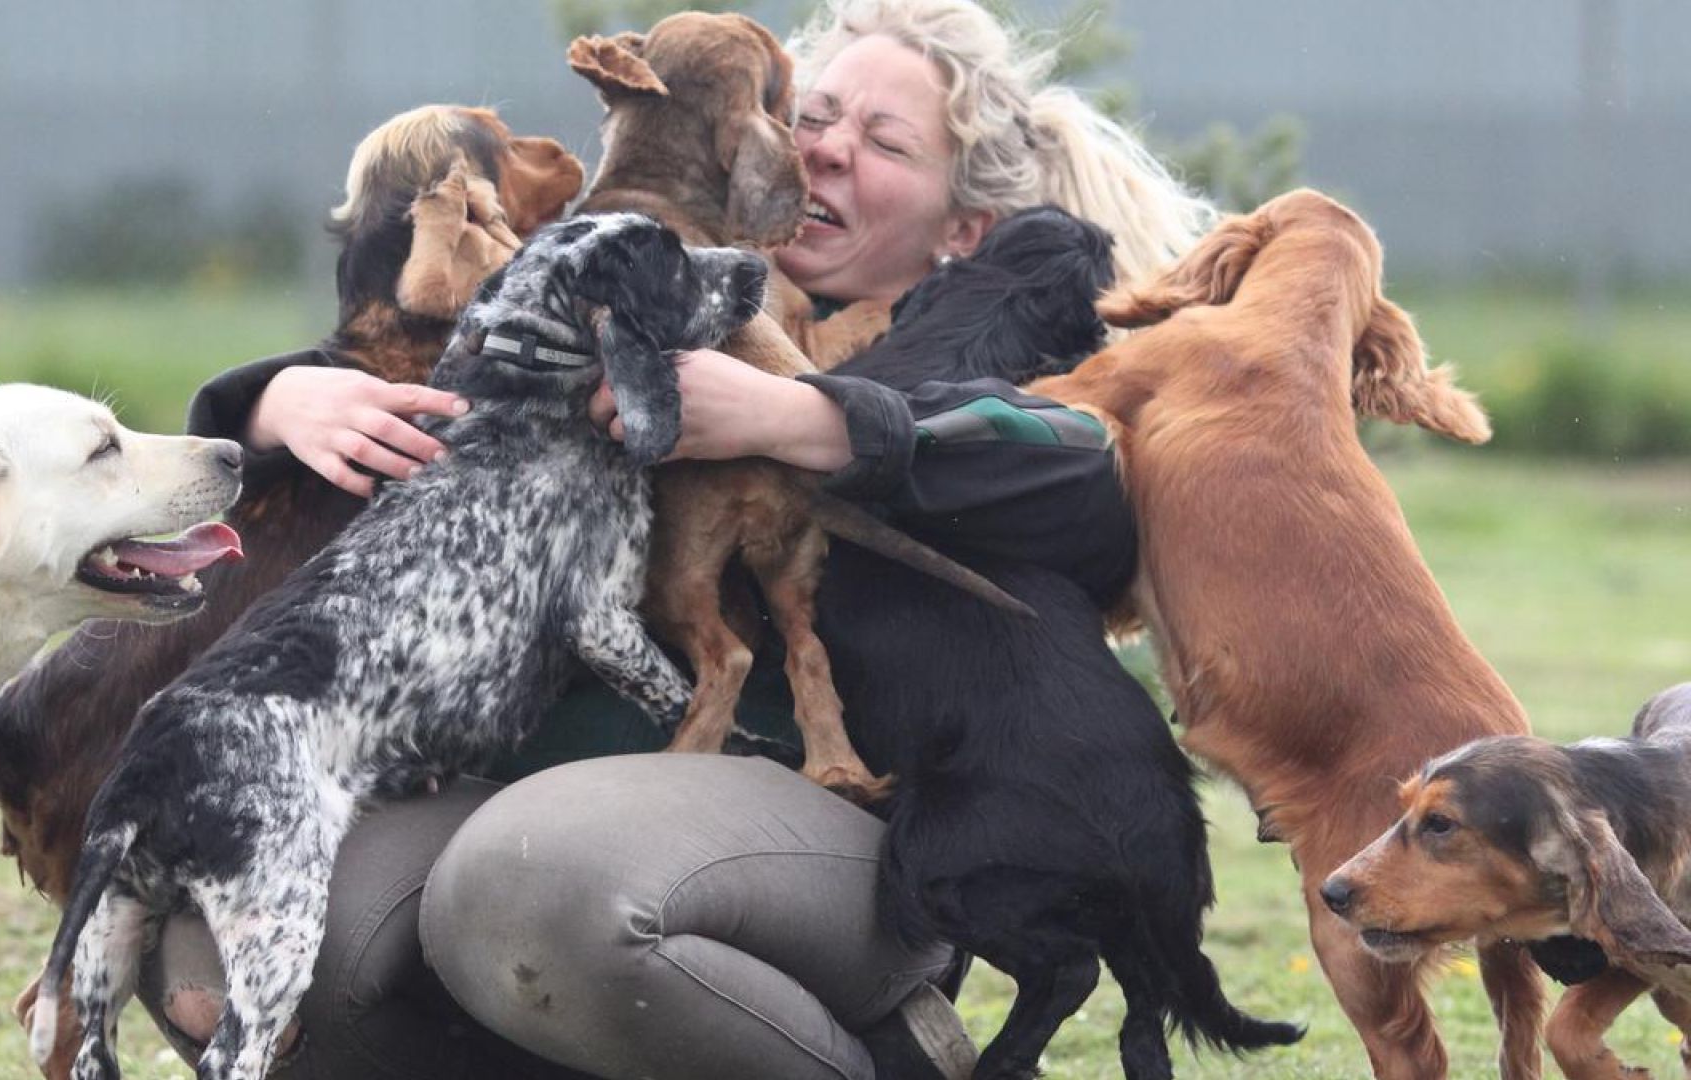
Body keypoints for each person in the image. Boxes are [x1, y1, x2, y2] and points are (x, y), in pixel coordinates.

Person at [135, 2, 1217, 1078]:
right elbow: (446, 380)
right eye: (814, 111)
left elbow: (1090, 474)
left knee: (531, 892)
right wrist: (276, 402)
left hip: (821, 819)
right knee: (217, 918)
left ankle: (871, 1055)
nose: (827, 148)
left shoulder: (986, 337)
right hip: (515, 782)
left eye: (886, 144)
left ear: (963, 228)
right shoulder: (648, 276)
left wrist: (805, 419)